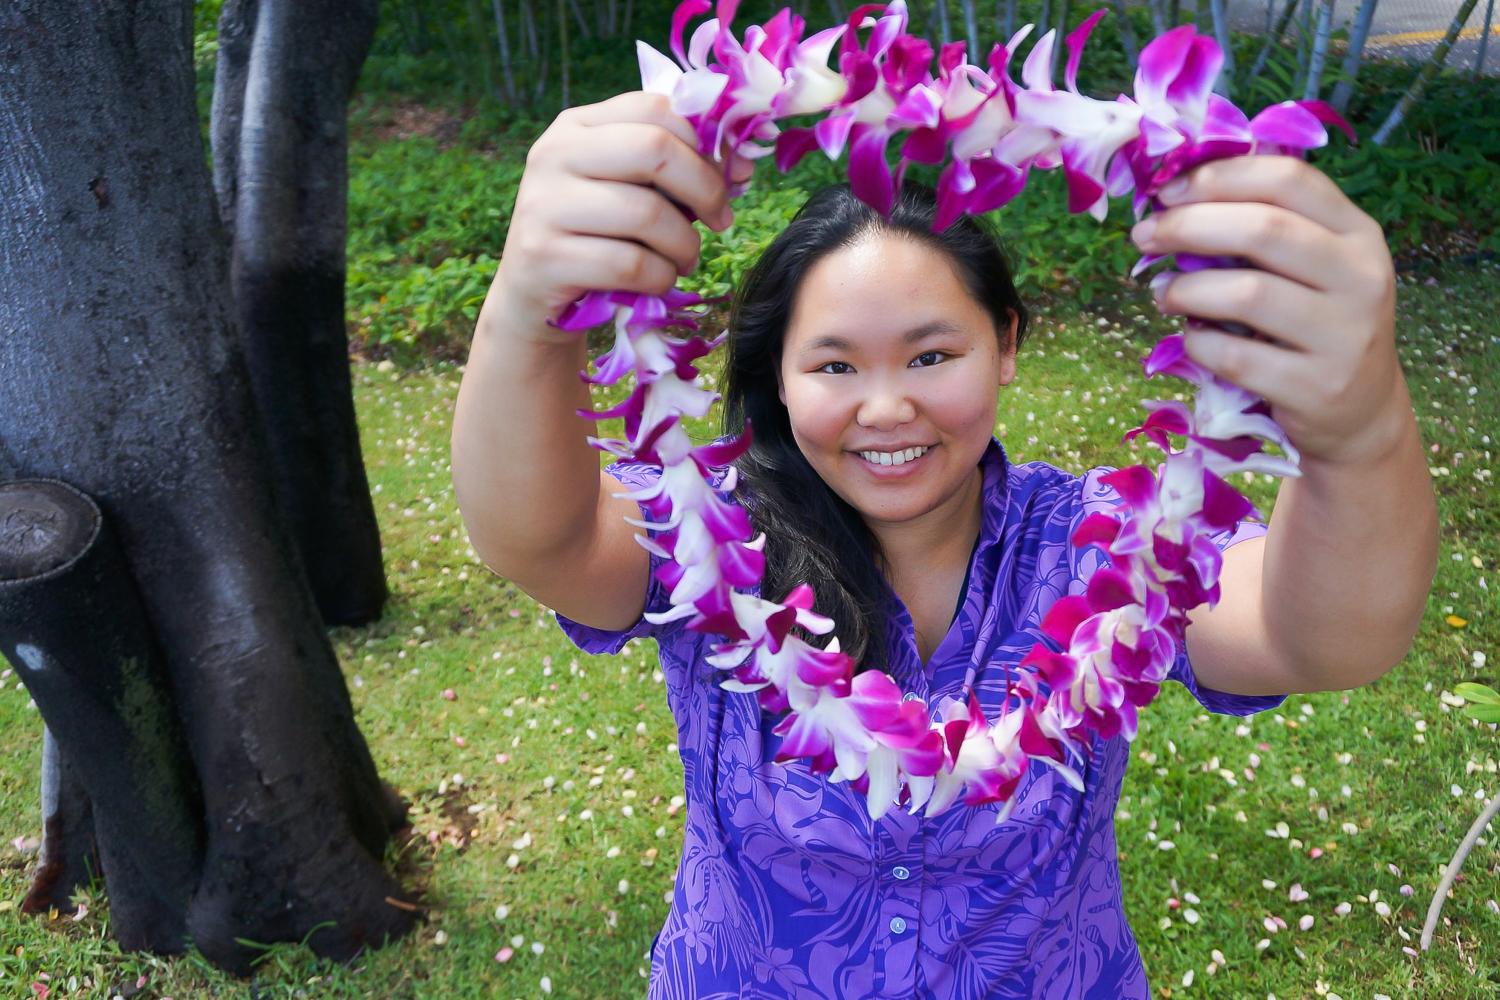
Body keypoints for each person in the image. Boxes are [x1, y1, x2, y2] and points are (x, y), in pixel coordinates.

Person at [451, 91, 1437, 998]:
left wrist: (1361, 434)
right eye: (835, 362)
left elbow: (1319, 633)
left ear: (1004, 343)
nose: (889, 407)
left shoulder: (1102, 547)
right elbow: (540, 536)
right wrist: (528, 310)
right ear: (780, 379)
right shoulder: (719, 537)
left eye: (932, 353)